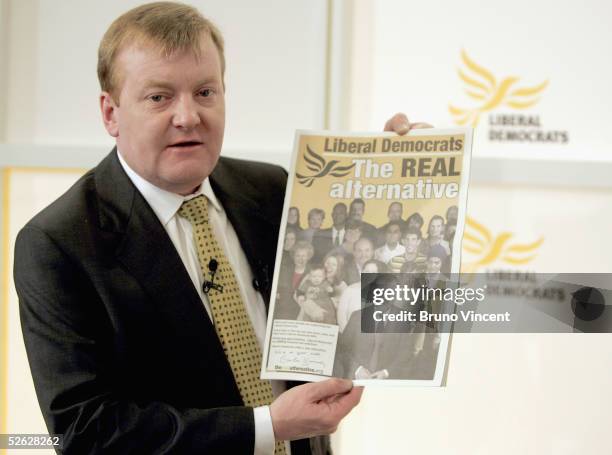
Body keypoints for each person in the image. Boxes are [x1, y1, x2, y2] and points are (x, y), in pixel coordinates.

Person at [13, 2, 427, 454]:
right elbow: (85, 432)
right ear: (110, 113)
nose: (188, 116)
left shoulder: (271, 192)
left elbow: (344, 291)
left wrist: (394, 177)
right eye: (159, 97)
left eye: (205, 92)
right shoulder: (58, 244)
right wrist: (266, 427)